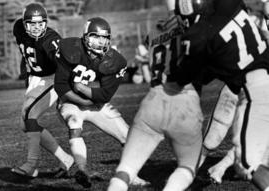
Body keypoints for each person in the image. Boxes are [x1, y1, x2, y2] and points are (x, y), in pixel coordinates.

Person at [107, 3, 204, 191]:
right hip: (185, 101)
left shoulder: (155, 30)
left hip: (154, 99)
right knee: (187, 167)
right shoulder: (195, 27)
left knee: (125, 170)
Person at [174, 0, 269, 190]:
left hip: (253, 89)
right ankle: (195, 172)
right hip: (251, 82)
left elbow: (187, 76)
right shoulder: (231, 5)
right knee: (222, 138)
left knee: (247, 163)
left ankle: (197, 171)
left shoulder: (199, 35)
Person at [53, 17, 147, 188]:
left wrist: (82, 89)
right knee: (74, 122)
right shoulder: (71, 49)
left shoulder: (114, 60)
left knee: (127, 136)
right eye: (96, 37)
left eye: (104, 38)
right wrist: (82, 99)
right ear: (86, 36)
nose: (101, 42)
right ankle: (81, 169)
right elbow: (60, 87)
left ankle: (132, 175)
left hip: (94, 104)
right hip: (70, 102)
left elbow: (104, 95)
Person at [11, 3, 74, 179]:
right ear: (24, 24)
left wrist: (65, 89)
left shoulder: (50, 39)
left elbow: (62, 63)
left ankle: (31, 164)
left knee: (30, 116)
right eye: (32, 24)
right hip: (34, 79)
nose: (37, 27)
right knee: (25, 124)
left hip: (51, 79)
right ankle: (65, 159)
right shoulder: (18, 28)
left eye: (41, 23)